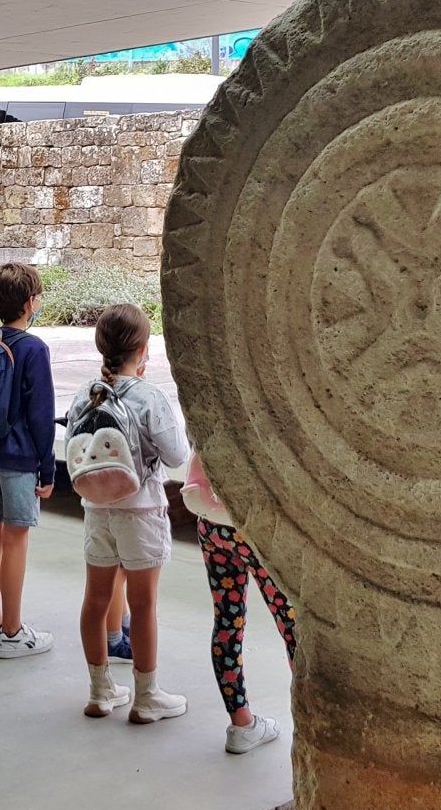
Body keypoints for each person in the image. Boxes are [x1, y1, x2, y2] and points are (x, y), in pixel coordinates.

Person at [67, 303, 190, 722]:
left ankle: (101, 692)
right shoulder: (148, 396)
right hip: (142, 508)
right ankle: (146, 695)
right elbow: (177, 457)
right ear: (142, 349)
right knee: (144, 604)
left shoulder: (86, 393)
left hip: (96, 508)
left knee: (95, 599)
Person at [182, 453, 296, 753]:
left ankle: (241, 723)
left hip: (211, 523)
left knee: (227, 619)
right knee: (292, 625)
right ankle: (310, 719)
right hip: (255, 529)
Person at [0, 263, 56, 658]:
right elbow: (42, 415)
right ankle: (13, 631)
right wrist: (48, 467)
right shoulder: (33, 349)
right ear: (29, 303)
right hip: (20, 457)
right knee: (16, 539)